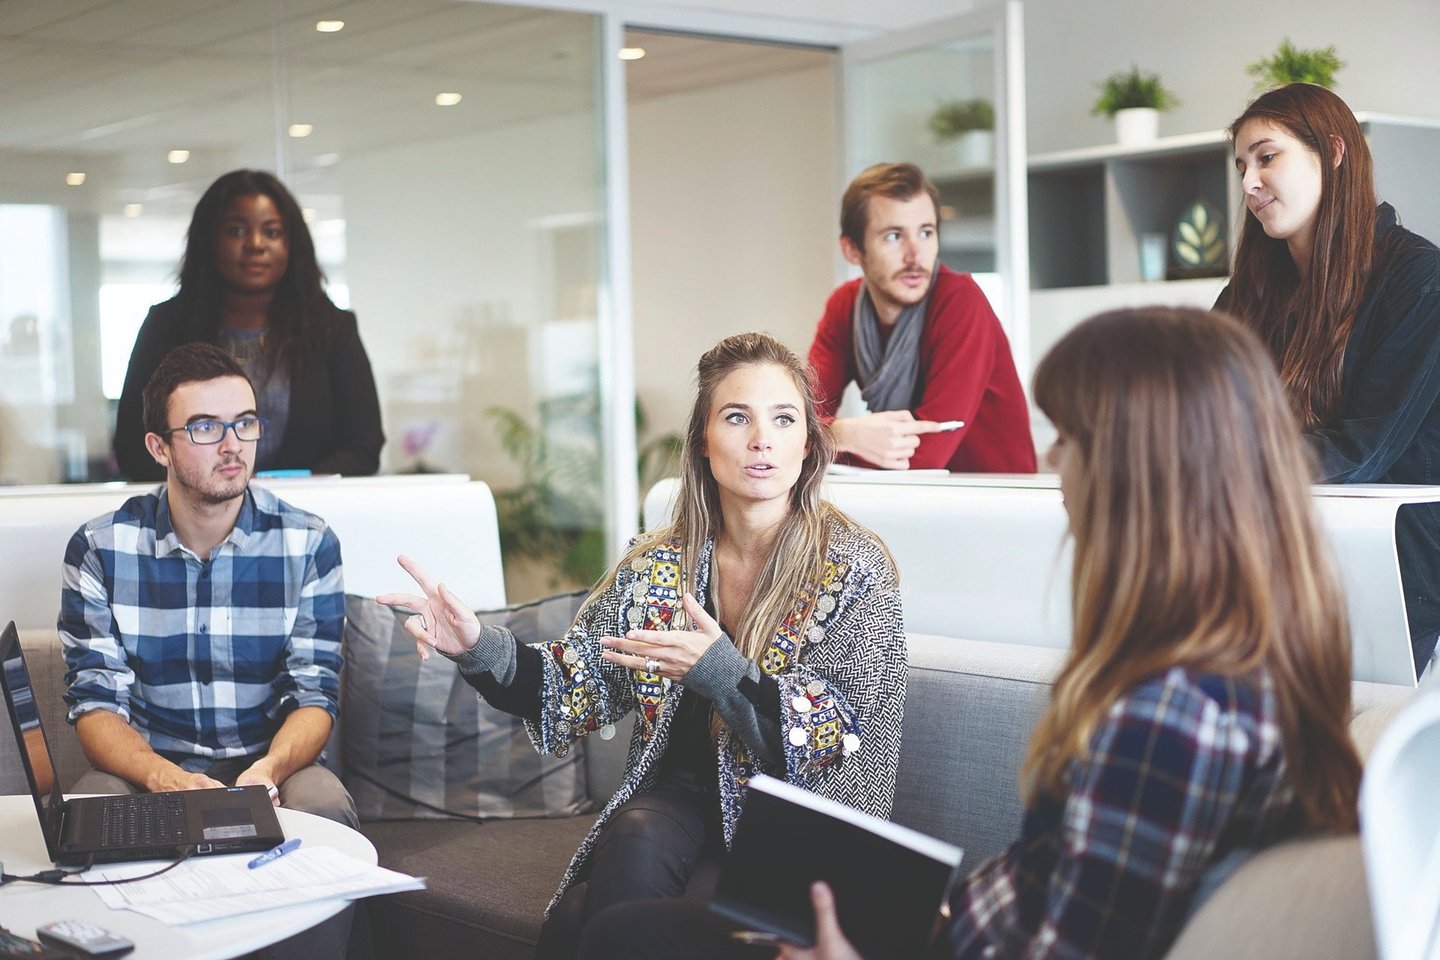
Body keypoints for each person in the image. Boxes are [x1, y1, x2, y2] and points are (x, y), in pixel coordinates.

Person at [782, 307, 1362, 960]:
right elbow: (1046, 891)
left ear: (1134, 471)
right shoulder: (1247, 664)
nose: (1051, 460)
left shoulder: (1169, 720)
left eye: (1069, 437)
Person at [379, 332, 907, 959]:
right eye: (737, 417)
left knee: (581, 917)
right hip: (680, 802)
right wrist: (475, 646)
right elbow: (570, 683)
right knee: (631, 838)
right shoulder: (659, 566)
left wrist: (720, 672)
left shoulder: (853, 567)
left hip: (795, 825)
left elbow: (851, 747)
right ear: (704, 443)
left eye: (783, 419)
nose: (762, 438)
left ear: (807, 445)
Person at [61, 343, 356, 829]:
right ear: (159, 447)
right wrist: (163, 777)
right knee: (87, 811)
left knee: (324, 806)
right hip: (148, 767)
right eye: (205, 427)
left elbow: (314, 695)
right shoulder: (100, 548)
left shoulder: (309, 543)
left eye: (245, 423)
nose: (232, 445)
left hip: (272, 764)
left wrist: (268, 770)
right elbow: (95, 703)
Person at [1217, 82, 1440, 676]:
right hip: (1274, 551)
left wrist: (1220, 461)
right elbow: (1202, 415)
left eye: (1267, 157)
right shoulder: (1245, 295)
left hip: (1394, 567)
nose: (1249, 184)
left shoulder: (1417, 278)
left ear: (1333, 153)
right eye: (1242, 166)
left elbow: (1362, 450)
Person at [113, 169, 384, 481]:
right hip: (194, 520)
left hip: (307, 514)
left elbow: (363, 447)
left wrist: (286, 489)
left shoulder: (332, 329)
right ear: (209, 240)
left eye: (272, 232)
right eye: (237, 231)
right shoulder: (167, 327)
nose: (256, 244)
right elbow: (133, 448)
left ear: (292, 244)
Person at [806, 162, 1035, 473]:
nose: (915, 255)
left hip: (994, 501)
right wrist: (842, 433)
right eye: (893, 236)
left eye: (926, 233)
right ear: (852, 250)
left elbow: (926, 455)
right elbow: (798, 417)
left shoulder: (960, 301)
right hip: (911, 498)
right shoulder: (844, 306)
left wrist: (822, 440)